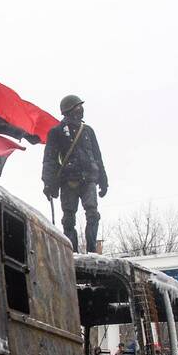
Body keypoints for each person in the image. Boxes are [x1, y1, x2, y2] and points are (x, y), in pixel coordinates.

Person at [41, 94, 109, 253]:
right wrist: (48, 183)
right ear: (69, 110)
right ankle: (72, 252)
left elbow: (97, 157)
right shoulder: (56, 132)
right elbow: (49, 160)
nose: (81, 109)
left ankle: (92, 250)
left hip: (89, 179)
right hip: (68, 181)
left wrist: (103, 180)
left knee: (93, 214)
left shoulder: (88, 131)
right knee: (68, 218)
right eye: (78, 107)